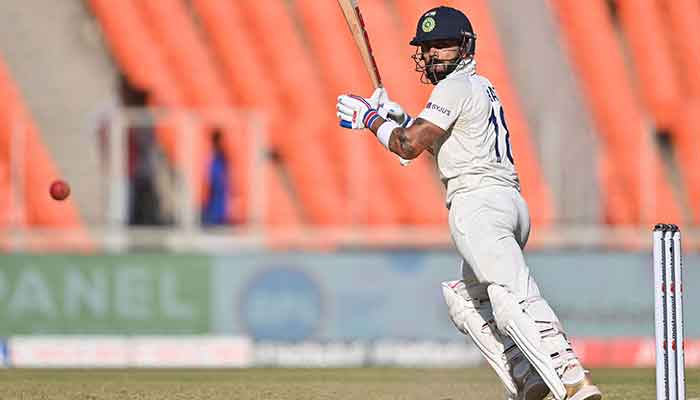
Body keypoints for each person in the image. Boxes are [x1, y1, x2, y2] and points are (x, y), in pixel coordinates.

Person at [336, 6, 602, 400]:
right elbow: (434, 144)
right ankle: (528, 377)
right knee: (465, 298)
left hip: (478, 206)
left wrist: (372, 119)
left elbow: (406, 145)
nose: (431, 54)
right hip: (507, 203)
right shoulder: (480, 87)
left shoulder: (453, 88)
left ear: (464, 46)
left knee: (511, 296)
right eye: (426, 47)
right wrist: (399, 116)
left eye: (441, 45)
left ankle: (572, 378)